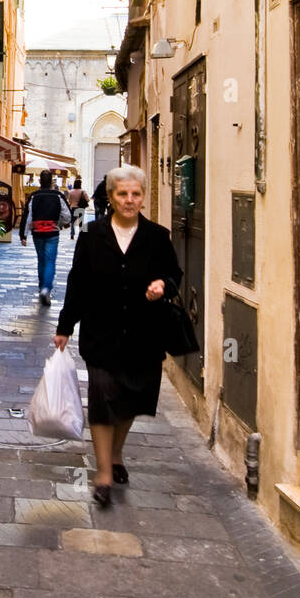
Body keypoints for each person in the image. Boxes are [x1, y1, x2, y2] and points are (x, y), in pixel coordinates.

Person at [54, 164, 181, 507]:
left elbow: (174, 275)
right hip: (101, 332)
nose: (129, 200)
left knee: (131, 399)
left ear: (142, 198)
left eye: (135, 194)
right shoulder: (93, 235)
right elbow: (77, 282)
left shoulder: (157, 237)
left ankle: (117, 452)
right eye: (122, 194)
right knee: (102, 398)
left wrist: (163, 286)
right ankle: (103, 473)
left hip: (144, 334)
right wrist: (65, 326)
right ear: (110, 197)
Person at [19, 169, 71, 306]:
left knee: (41, 260)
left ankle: (42, 286)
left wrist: (23, 235)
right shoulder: (58, 196)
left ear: (40, 181)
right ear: (51, 182)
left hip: (37, 233)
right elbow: (67, 216)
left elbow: (27, 215)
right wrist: (60, 224)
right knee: (50, 261)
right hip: (52, 232)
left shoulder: (34, 196)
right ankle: (46, 288)